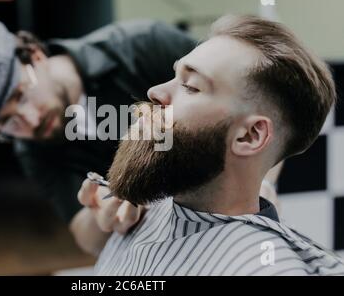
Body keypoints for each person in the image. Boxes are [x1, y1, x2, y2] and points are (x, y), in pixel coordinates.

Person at [0, 19, 281, 244]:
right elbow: (84, 236)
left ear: (34, 55)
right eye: (6, 123)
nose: (27, 120)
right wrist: (101, 215)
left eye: (19, 94)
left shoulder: (144, 47)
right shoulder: (33, 148)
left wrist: (258, 186)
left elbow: (262, 104)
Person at [74, 15, 344, 275]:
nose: (154, 92)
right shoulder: (145, 209)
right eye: (173, 76)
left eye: (191, 86)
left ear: (249, 136)